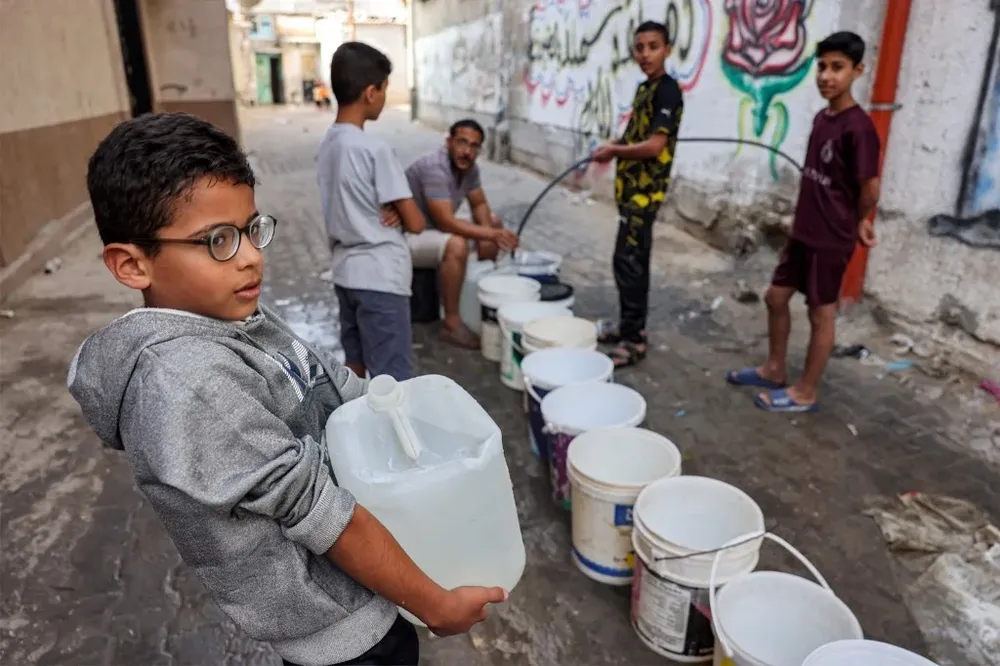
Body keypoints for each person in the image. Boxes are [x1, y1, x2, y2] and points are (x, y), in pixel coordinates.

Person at [68, 112, 507, 666]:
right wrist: (434, 603)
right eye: (217, 240)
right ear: (132, 265)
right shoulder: (189, 385)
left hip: (365, 584)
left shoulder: (231, 311)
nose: (252, 255)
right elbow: (321, 514)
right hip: (337, 627)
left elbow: (326, 377)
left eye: (252, 228)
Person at [726, 31, 881, 413]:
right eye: (823, 67)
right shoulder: (822, 118)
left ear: (857, 71)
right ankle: (775, 369)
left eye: (838, 68)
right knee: (775, 297)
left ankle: (805, 391)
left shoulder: (858, 128)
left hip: (831, 237)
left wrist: (860, 220)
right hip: (804, 231)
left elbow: (870, 187)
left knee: (820, 311)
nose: (827, 76)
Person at [319, 42, 426, 381]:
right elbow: (417, 223)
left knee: (356, 368)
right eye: (384, 89)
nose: (383, 96)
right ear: (370, 92)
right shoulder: (373, 149)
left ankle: (359, 428)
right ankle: (393, 435)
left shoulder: (328, 145)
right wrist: (399, 209)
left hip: (345, 274)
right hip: (381, 277)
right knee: (394, 380)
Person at [590, 21, 684, 368]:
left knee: (629, 263)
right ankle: (630, 327)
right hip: (631, 193)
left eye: (653, 46)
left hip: (645, 195)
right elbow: (638, 134)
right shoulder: (648, 88)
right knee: (630, 261)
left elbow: (655, 146)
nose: (645, 54)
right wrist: (615, 145)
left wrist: (613, 151)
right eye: (640, 47)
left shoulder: (668, 91)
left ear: (667, 49)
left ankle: (634, 339)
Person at [405, 119, 519, 348]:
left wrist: (489, 234)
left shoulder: (469, 168)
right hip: (404, 236)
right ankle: (452, 322)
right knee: (457, 244)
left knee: (493, 222)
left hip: (431, 228)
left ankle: (482, 291)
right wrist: (490, 236)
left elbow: (478, 204)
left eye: (474, 146)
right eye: (462, 143)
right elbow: (446, 222)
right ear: (448, 141)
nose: (467, 151)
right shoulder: (434, 167)